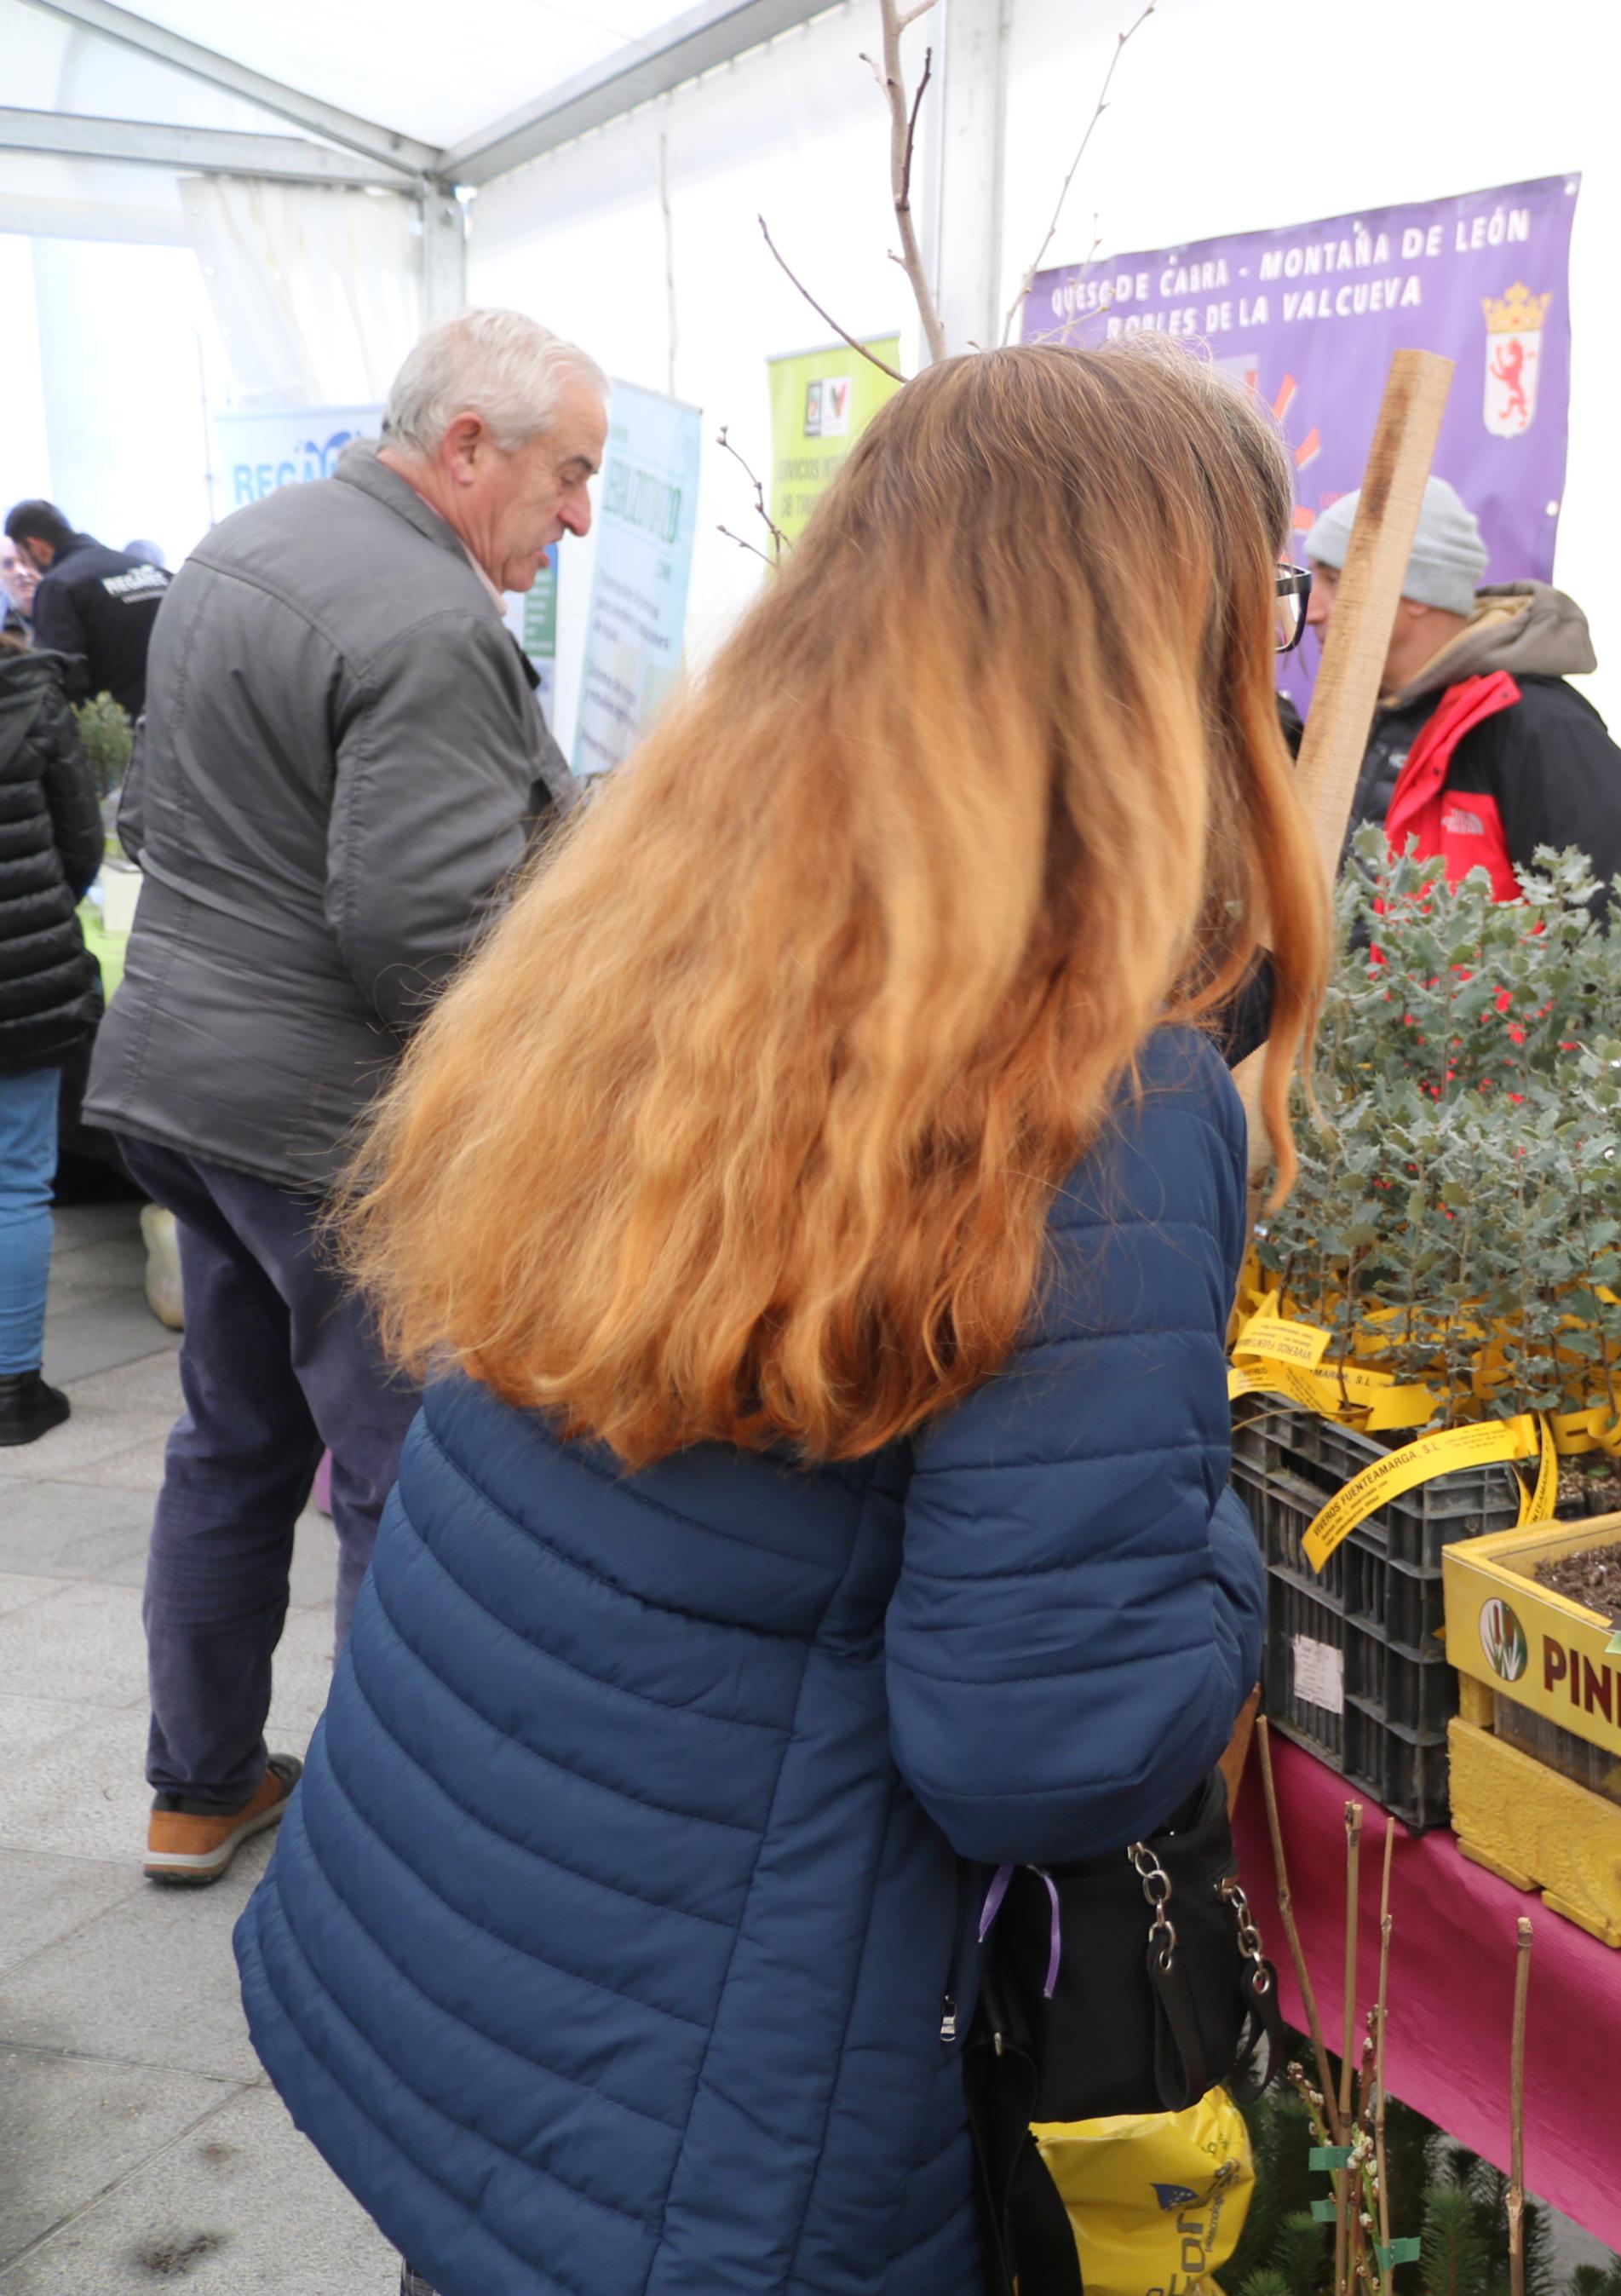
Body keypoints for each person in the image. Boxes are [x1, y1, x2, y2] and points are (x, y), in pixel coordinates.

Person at [233, 337, 1318, 2296]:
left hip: (473, 1988)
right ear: (1169, 663)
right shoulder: (1096, 1100)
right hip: (720, 2124)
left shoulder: (653, 931)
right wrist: (1234, 1563)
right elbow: (1045, 1743)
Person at [82, 308, 605, 1885]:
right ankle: (404, 1857)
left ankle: (198, 1787)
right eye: (567, 473)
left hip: (180, 1086)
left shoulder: (248, 544)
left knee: (234, 1447)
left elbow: (183, 822)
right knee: (403, 1485)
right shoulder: (435, 622)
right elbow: (422, 937)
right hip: (329, 1136)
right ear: (467, 449)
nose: (578, 514)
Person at [1303, 473, 1621, 897]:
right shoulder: (1361, 722)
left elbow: (1616, 939)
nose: (1313, 611)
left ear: (1415, 592)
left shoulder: (1544, 732)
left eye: (1334, 581)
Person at [0, 624, 104, 1443]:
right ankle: (12, 1388)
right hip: (20, 982)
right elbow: (81, 843)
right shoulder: (34, 699)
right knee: (17, 1181)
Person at [5, 500, 168, 720]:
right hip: (178, 725)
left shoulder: (59, 586)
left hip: (119, 740)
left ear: (36, 546)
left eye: (22, 558)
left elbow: (62, 681)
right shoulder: (154, 573)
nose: (26, 569)